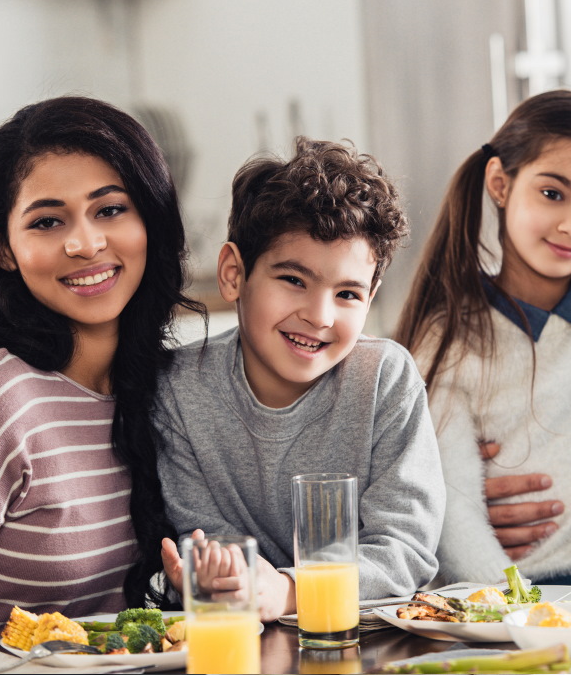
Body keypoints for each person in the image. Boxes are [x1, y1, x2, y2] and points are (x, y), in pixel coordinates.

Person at [0, 96, 203, 644]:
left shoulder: (167, 390)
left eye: (110, 209)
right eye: (47, 221)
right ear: (0, 246)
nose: (85, 244)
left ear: (151, 219)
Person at [154, 136, 445, 621]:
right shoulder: (180, 388)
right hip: (240, 641)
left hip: (368, 641)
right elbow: (200, 536)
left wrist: (291, 590)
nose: (319, 315)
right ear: (233, 274)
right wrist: (212, 572)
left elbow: (404, 550)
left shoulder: (384, 380)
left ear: (371, 297)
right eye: (293, 280)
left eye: (348, 294)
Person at [395, 89, 571, 590]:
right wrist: (519, 611)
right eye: (552, 193)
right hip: (518, 599)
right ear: (500, 183)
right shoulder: (452, 341)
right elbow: (454, 511)